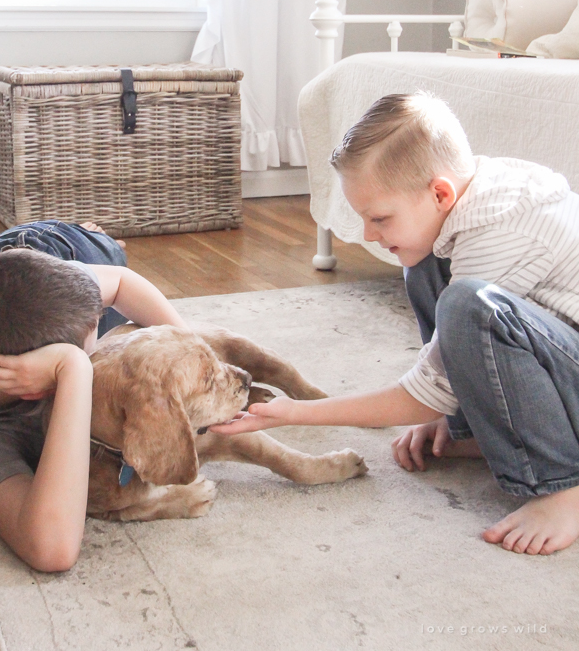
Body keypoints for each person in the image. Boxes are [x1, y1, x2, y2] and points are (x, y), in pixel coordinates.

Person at [211, 93, 579, 557]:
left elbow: (421, 393)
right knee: (422, 261)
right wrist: (447, 409)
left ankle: (562, 483)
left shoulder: (504, 231)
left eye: (379, 218)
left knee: (469, 305)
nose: (367, 234)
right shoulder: (470, 198)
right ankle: (468, 429)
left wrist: (295, 413)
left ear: (440, 193)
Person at [0, 219, 186, 572]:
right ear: (39, 388)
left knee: (110, 257)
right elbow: (53, 550)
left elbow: (120, 284)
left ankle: (92, 235)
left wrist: (189, 347)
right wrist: (75, 368)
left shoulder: (51, 288)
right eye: (85, 355)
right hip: (13, 296)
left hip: (40, 250)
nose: (87, 359)